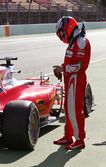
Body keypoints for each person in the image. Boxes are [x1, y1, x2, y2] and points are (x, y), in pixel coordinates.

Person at [53, 16, 91, 150]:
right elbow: (71, 62)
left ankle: (80, 139)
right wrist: (61, 68)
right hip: (70, 80)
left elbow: (80, 66)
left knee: (75, 110)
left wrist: (63, 69)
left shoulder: (81, 42)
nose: (62, 37)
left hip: (77, 81)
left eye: (62, 33)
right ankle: (68, 136)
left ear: (68, 28)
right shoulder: (74, 42)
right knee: (68, 110)